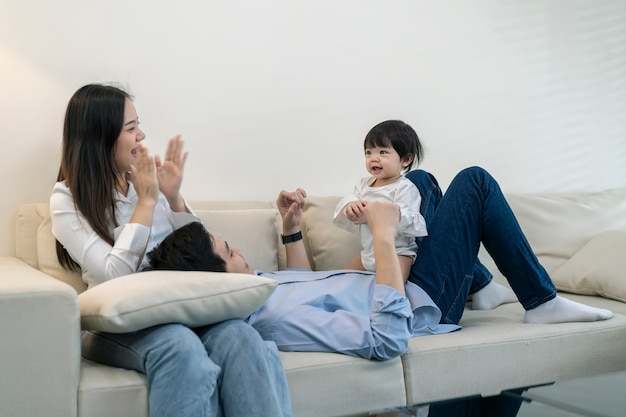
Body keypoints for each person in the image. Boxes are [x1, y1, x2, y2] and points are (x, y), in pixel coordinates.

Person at [146, 164, 613, 360]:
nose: (241, 251)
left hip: (391, 277)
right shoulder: (271, 323)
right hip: (419, 301)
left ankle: (478, 282)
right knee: (474, 183)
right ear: (211, 282)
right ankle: (539, 299)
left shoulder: (259, 287)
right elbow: (386, 338)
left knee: (422, 180)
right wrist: (385, 242)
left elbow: (304, 282)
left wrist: (290, 225)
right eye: (231, 254)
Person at [50, 83, 293, 417]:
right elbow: (113, 276)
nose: (142, 136)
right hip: (118, 325)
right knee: (180, 346)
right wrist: (147, 202)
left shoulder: (148, 180)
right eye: (132, 128)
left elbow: (202, 251)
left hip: (180, 310)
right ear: (100, 135)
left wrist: (174, 196)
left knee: (242, 338)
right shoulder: (66, 199)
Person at [333, 120, 428, 282]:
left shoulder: (404, 187)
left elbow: (414, 222)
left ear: (406, 159)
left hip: (398, 253)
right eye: (369, 152)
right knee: (339, 282)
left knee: (391, 290)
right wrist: (351, 206)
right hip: (368, 255)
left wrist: (377, 215)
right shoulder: (363, 184)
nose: (373, 158)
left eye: (383, 152)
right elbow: (349, 208)